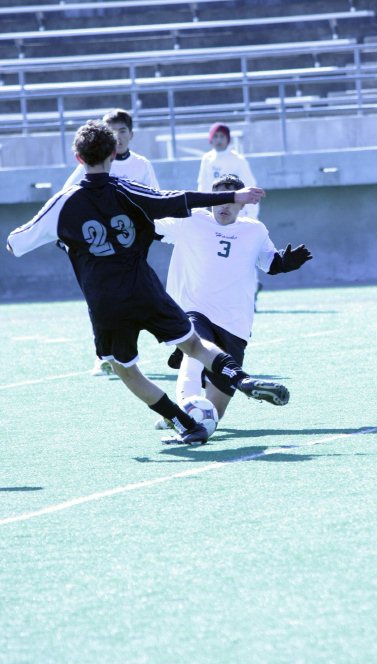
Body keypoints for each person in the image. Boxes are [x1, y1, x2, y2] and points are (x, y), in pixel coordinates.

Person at [7, 121, 290, 447]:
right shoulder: (127, 188)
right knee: (194, 346)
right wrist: (233, 195)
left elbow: (16, 243)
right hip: (145, 289)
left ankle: (184, 423)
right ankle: (241, 379)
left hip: (105, 303)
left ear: (77, 157)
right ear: (114, 153)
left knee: (125, 369)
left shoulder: (63, 202)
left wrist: (64, 237)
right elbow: (173, 199)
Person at [155, 173, 312, 428]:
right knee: (193, 352)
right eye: (219, 199)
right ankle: (184, 412)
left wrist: (286, 262)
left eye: (230, 200)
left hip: (235, 323)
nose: (224, 205)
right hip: (196, 310)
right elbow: (151, 227)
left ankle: (177, 416)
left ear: (242, 204)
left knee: (215, 414)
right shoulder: (191, 221)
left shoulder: (254, 230)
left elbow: (270, 263)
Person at [63, 108, 160, 377]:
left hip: (131, 246)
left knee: (134, 298)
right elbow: (67, 194)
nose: (117, 136)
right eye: (111, 131)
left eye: (122, 130)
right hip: (99, 246)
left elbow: (155, 199)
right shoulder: (92, 163)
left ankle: (126, 355)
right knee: (100, 299)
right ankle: (103, 356)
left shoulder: (141, 165)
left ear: (132, 134)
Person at [197, 122, 263, 307]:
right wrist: (203, 211)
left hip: (237, 214)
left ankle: (251, 293)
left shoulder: (238, 160)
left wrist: (250, 214)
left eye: (222, 137)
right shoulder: (207, 159)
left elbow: (250, 186)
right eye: (215, 136)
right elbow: (202, 186)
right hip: (216, 216)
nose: (218, 140)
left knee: (245, 256)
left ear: (228, 139)